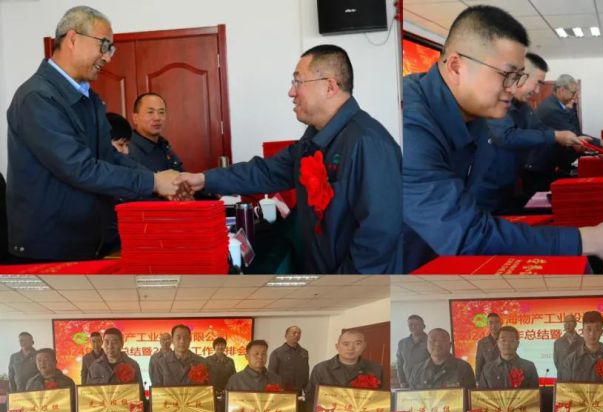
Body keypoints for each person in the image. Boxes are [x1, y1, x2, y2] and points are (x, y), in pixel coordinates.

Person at [402, 4, 603, 271]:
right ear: (456, 67)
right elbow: (466, 235)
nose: (514, 88)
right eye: (507, 75)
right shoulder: (408, 125)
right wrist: (589, 239)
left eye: (519, 77)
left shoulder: (477, 112)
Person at [177, 45, 401, 274]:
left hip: (351, 287)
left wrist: (340, 288)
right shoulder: (313, 139)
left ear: (330, 86)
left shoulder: (369, 143)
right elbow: (266, 172)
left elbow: (379, 237)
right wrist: (203, 179)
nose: (291, 92)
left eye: (298, 82)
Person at [5, 7, 182, 261]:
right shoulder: (38, 97)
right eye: (104, 45)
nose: (107, 57)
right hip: (51, 248)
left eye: (111, 49)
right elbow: (80, 168)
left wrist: (157, 179)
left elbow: (108, 156)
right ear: (73, 39)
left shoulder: (88, 97)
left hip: (87, 239)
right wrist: (153, 183)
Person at [479, 55, 587, 212]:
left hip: (509, 183)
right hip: (488, 189)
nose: (537, 91)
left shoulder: (523, 106)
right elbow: (506, 136)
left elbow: (539, 128)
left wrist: (566, 137)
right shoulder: (495, 101)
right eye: (537, 83)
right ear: (520, 75)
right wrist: (555, 136)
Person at [531, 73, 586, 181]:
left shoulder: (559, 106)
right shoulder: (552, 109)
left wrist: (572, 107)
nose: (575, 96)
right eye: (573, 92)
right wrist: (601, 143)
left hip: (553, 163)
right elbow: (575, 134)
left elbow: (576, 130)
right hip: (541, 167)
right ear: (561, 90)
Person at [127, 92, 185, 172]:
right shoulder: (127, 150)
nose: (157, 118)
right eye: (150, 112)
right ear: (135, 118)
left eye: (161, 112)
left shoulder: (164, 145)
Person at [267, 326, 310, 392]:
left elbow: (306, 372)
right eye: (294, 333)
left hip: (299, 391)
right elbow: (271, 373)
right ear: (286, 335)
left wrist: (307, 389)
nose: (297, 335)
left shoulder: (304, 352)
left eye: (299, 333)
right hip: (283, 391)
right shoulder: (277, 353)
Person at [395, 315, 428, 388]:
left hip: (427, 383)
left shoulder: (430, 341)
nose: (413, 327)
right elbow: (399, 363)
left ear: (423, 326)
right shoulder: (402, 343)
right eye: (410, 325)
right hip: (408, 384)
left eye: (416, 324)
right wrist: (402, 381)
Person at [475, 313, 501, 379]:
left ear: (500, 324)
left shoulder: (506, 340)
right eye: (491, 323)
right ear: (487, 325)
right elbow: (479, 364)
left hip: (505, 377)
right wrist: (478, 380)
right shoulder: (482, 343)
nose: (494, 325)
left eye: (496, 322)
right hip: (489, 378)